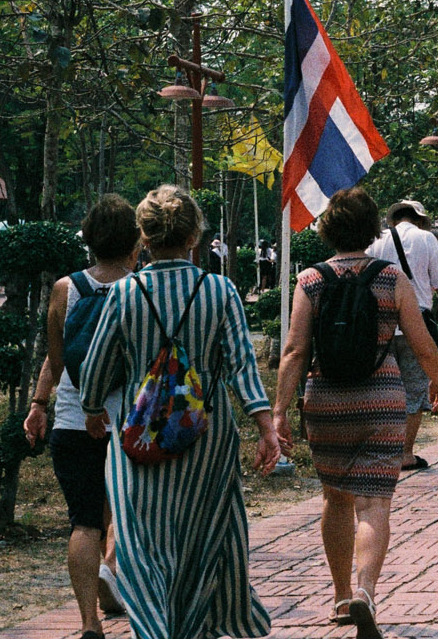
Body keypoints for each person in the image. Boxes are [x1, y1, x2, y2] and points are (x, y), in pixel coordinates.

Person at [78, 185, 280, 639]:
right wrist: (265, 426)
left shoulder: (126, 293)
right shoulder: (220, 290)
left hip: (140, 441)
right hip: (208, 440)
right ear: (195, 238)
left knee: (142, 545)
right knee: (200, 542)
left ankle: (154, 629)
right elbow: (242, 364)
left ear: (143, 239)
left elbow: (96, 365)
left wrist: (92, 409)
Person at [275, 186, 438, 639]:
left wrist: (277, 413)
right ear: (373, 230)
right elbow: (419, 340)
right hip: (382, 400)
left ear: (329, 229)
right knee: (374, 502)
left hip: (325, 401)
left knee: (335, 499)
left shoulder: (310, 280)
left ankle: (338, 598)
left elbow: (294, 351)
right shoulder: (391, 278)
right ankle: (365, 591)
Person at [25, 194, 139, 639]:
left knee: (84, 521)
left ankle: (90, 621)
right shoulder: (141, 287)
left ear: (88, 241)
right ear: (135, 243)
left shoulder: (65, 289)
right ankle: (114, 573)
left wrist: (38, 405)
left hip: (74, 420)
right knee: (126, 510)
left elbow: (56, 360)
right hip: (129, 421)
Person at [366, 199, 438, 472]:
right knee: (414, 388)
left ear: (393, 219)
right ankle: (405, 453)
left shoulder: (376, 240)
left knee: (381, 389)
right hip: (414, 323)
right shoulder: (426, 238)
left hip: (380, 323)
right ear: (419, 220)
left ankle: (382, 451)